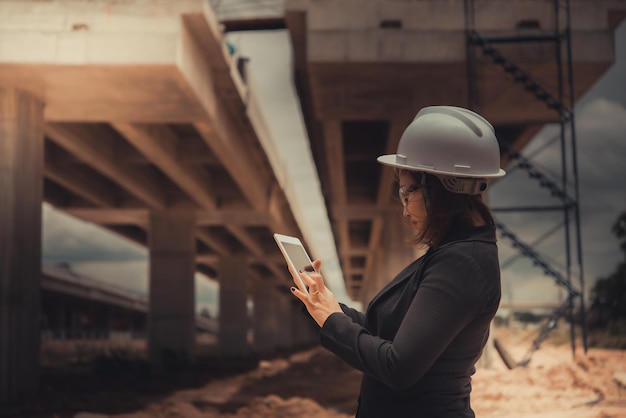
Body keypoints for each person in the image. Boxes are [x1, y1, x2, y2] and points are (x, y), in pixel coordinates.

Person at [289, 105, 506, 417]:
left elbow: (398, 366)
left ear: (440, 188)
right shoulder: (454, 253)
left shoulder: (463, 264)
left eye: (407, 193)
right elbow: (386, 335)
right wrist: (327, 306)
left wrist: (331, 321)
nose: (404, 210)